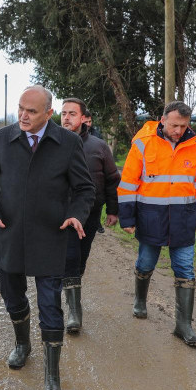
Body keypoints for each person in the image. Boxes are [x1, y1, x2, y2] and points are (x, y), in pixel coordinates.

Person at [0, 85, 95, 390]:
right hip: (11, 233)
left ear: (48, 113)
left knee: (50, 306)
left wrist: (76, 215)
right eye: (20, 108)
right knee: (13, 298)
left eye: (31, 111)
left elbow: (85, 189)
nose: (23, 115)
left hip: (51, 235)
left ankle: (52, 375)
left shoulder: (67, 142)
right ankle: (22, 343)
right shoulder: (3, 139)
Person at [117, 100, 196, 348]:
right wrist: (126, 218)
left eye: (183, 126)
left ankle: (183, 326)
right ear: (162, 120)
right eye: (174, 125)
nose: (178, 130)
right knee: (146, 263)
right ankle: (140, 300)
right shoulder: (143, 143)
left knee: (185, 269)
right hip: (151, 218)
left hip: (184, 220)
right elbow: (128, 182)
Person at [59, 98, 120, 334]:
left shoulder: (98, 147)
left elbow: (112, 180)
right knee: (70, 258)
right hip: (63, 215)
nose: (66, 118)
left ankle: (71, 288)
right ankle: (75, 312)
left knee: (80, 260)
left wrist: (113, 210)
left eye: (72, 113)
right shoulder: (52, 143)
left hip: (91, 214)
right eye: (64, 113)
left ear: (84, 118)